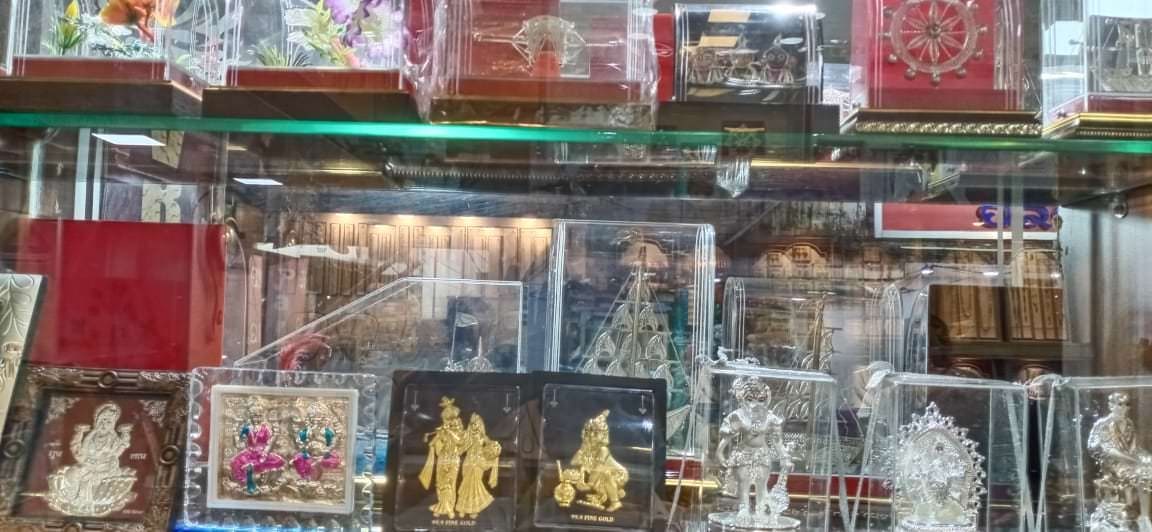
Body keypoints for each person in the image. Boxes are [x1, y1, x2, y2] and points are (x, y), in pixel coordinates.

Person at [46, 402, 138, 516]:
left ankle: (85, 504)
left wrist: (125, 435)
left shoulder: (113, 439)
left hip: (105, 468)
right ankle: (71, 496)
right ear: (96, 421)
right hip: (88, 465)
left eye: (108, 422)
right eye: (102, 420)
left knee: (90, 479)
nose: (104, 424)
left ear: (113, 424)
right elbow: (79, 453)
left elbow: (119, 450)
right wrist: (79, 434)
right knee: (72, 472)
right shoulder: (90, 438)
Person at [1088, 392, 1152, 532]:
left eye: (1127, 404)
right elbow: (1105, 449)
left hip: (1129, 462)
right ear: (1111, 406)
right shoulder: (1103, 425)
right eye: (1120, 404)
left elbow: (1134, 449)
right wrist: (1134, 461)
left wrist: (1146, 458)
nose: (1124, 407)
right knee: (1142, 475)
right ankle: (1135, 514)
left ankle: (1144, 517)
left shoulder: (1129, 424)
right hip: (1111, 465)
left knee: (1149, 469)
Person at [420, 397, 466, 519]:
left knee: (450, 483)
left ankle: (449, 507)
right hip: (443, 457)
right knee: (440, 482)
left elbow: (460, 442)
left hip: (453, 458)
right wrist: (429, 438)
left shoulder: (459, 430)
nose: (446, 420)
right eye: (445, 418)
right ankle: (442, 506)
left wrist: (449, 431)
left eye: (448, 418)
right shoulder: (443, 430)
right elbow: (433, 442)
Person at [455, 414, 500, 518]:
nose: (474, 426)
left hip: (479, 463)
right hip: (468, 462)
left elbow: (491, 444)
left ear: (479, 425)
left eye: (476, 424)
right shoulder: (467, 436)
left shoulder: (483, 437)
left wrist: (495, 447)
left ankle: (473, 509)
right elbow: (461, 449)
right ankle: (462, 508)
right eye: (472, 424)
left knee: (475, 484)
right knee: (465, 483)